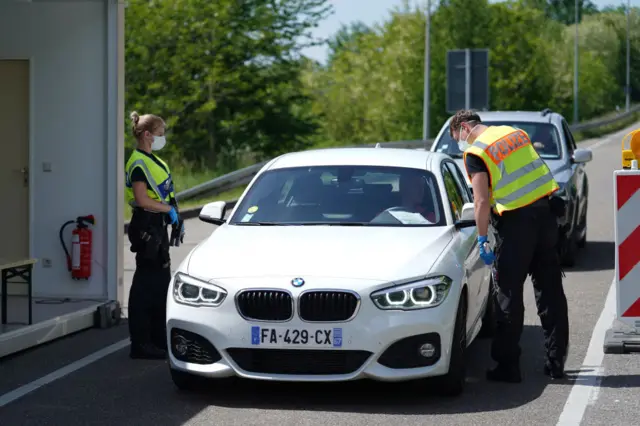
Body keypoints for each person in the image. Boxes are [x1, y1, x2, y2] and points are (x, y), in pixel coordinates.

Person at [450, 109, 569, 382]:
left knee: (507, 295)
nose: (461, 144)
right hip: (546, 216)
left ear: (464, 127)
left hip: (516, 225)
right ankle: (555, 362)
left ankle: (508, 366)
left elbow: (480, 202)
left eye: (458, 138)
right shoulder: (515, 133)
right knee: (551, 292)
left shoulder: (476, 153)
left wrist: (481, 239)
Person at [125, 111, 184, 360]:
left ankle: (158, 339)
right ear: (147, 135)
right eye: (160, 134)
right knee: (146, 285)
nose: (163, 138)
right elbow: (141, 199)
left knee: (160, 283)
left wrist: (174, 215)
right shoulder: (139, 163)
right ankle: (141, 343)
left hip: (157, 226)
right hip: (146, 226)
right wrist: (168, 210)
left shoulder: (153, 159)